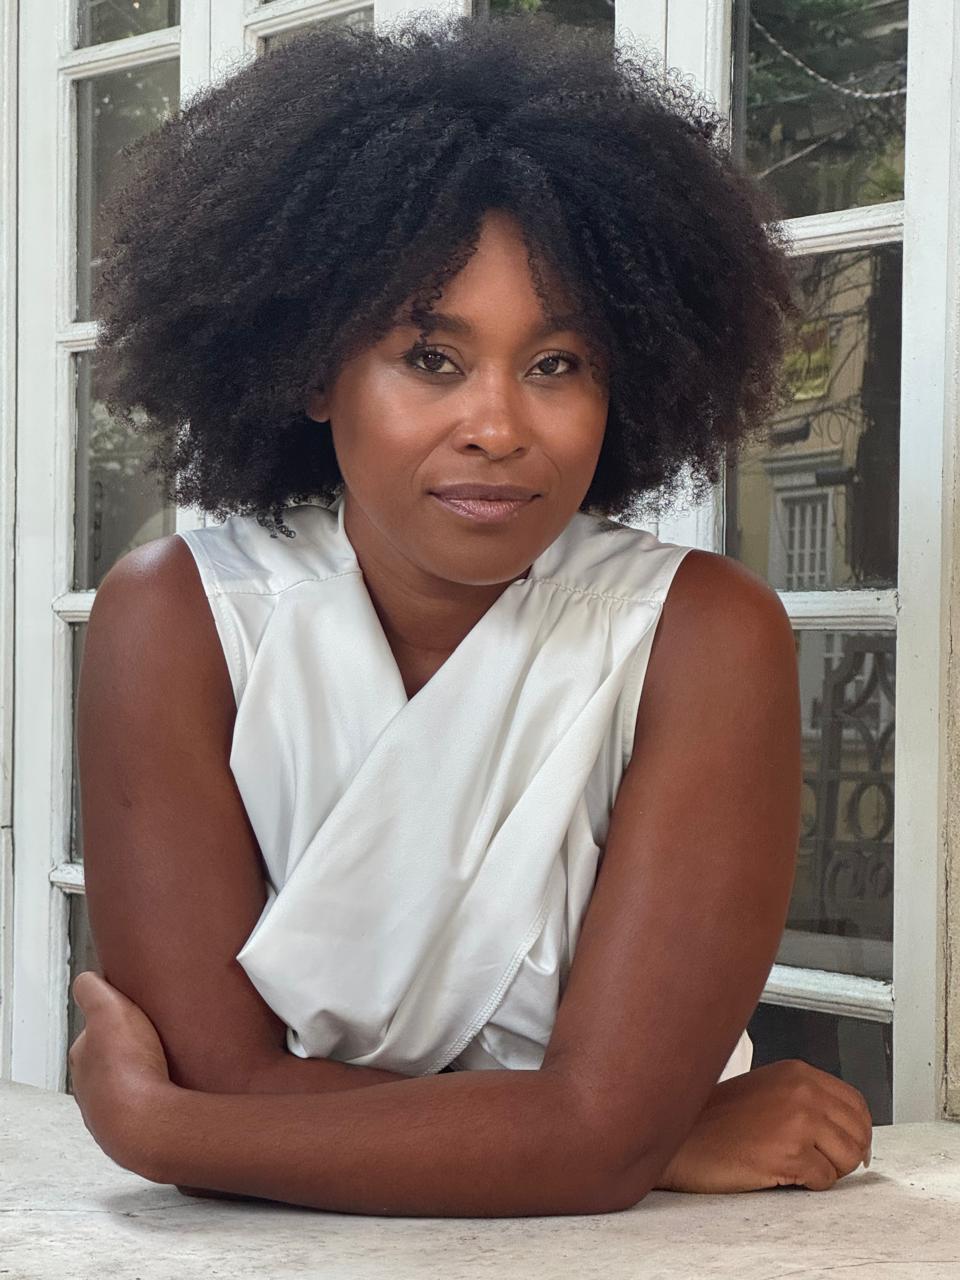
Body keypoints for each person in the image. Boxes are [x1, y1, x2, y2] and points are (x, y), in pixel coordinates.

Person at [68, 10, 873, 1217]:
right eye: (433, 359)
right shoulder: (180, 621)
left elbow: (590, 1135)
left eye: (557, 364)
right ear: (313, 366)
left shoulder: (700, 636)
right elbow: (584, 1130)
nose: (498, 426)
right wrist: (627, 1134)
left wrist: (164, 1125)